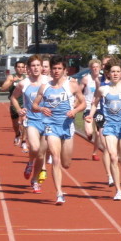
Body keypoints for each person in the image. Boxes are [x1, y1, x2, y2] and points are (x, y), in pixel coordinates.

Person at [32, 55, 86, 205]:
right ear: (50, 70)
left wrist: (74, 111)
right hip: (51, 126)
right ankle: (59, 193)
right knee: (55, 158)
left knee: (66, 163)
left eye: (59, 68)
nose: (56, 71)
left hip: (67, 126)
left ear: (64, 70)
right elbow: (34, 105)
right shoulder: (45, 87)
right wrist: (42, 108)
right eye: (54, 68)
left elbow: (83, 104)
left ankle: (59, 187)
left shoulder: (72, 85)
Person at [89, 59, 121, 201]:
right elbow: (94, 104)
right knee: (113, 156)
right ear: (108, 73)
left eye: (118, 71)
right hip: (109, 126)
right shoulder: (103, 89)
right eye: (113, 71)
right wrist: (90, 115)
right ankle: (118, 190)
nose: (115, 74)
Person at [11, 54, 50, 193]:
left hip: (46, 121)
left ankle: (34, 180)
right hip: (32, 120)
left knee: (41, 154)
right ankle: (30, 162)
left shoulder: (49, 81)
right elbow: (13, 98)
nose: (36, 68)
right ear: (28, 68)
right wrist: (19, 109)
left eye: (38, 65)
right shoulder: (23, 83)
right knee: (34, 147)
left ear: (42, 67)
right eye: (33, 66)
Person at [1, 59, 27, 149]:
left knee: (25, 122)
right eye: (18, 67)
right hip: (14, 103)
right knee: (15, 124)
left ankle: (24, 141)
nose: (20, 69)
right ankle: (17, 134)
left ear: (25, 68)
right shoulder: (11, 77)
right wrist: (12, 81)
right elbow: (3, 88)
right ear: (15, 68)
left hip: (24, 103)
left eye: (22, 67)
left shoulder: (27, 78)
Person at [81, 59, 103, 161]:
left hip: (99, 108)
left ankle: (94, 153)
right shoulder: (86, 79)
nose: (95, 69)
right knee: (89, 132)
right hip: (88, 107)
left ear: (100, 67)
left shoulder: (103, 79)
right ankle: (89, 136)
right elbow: (79, 91)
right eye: (93, 67)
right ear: (90, 68)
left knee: (98, 133)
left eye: (97, 67)